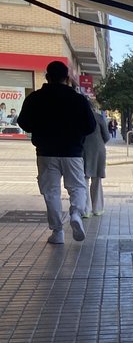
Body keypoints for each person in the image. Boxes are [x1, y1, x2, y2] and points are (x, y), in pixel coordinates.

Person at [16, 61, 96, 244]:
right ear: (67, 78)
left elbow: (23, 123)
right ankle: (76, 213)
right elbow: (90, 126)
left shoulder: (35, 98)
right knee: (77, 187)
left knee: (51, 192)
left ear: (47, 77)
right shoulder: (78, 99)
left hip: (46, 152)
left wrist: (41, 127)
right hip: (73, 152)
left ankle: (58, 232)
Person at [82, 103, 110, 216]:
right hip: (98, 150)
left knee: (83, 180)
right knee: (97, 180)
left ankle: (85, 210)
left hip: (82, 150)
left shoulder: (79, 117)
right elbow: (107, 136)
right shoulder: (98, 117)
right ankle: (97, 208)